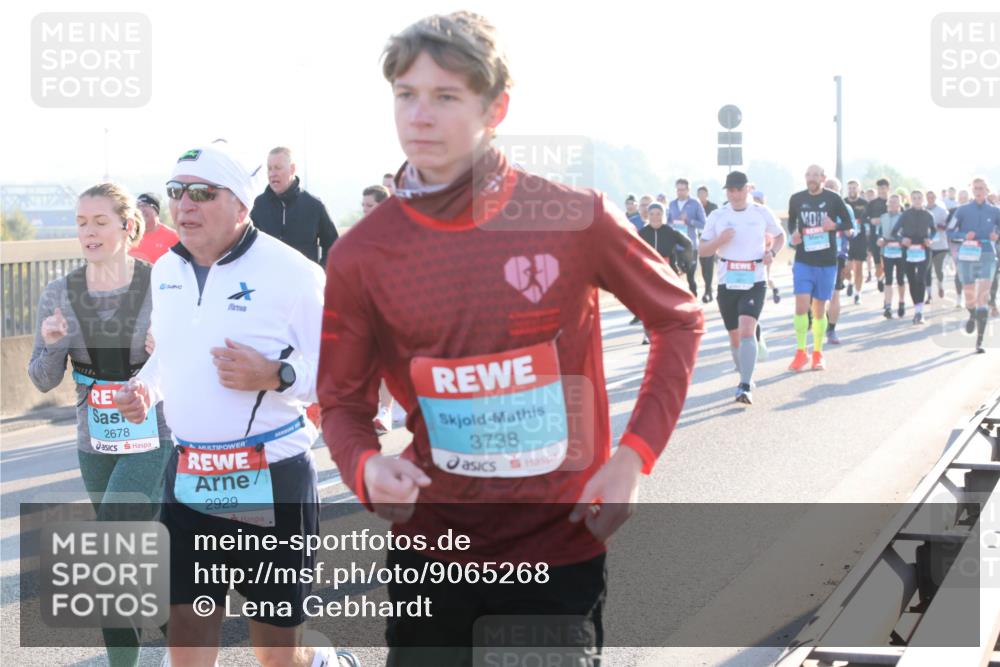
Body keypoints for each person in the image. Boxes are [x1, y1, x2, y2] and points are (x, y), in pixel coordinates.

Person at [317, 12, 704, 666]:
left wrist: (633, 458)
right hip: (433, 549)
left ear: (496, 106)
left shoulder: (572, 217)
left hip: (556, 548)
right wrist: (365, 466)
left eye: (446, 96)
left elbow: (678, 318)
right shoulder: (362, 253)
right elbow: (341, 403)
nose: (419, 115)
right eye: (406, 95)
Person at [116, 141, 359, 667]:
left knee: (275, 658)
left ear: (242, 204)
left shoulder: (294, 273)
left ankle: (321, 662)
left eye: (203, 193)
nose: (184, 205)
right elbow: (173, 351)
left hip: (270, 480)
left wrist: (276, 374)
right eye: (176, 192)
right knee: (187, 653)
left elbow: (347, 373)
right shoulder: (166, 271)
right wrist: (144, 388)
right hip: (188, 478)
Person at [29, 183, 173, 667]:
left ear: (128, 226)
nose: (88, 232)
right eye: (81, 222)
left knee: (111, 541)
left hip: (153, 430)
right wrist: (52, 341)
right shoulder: (60, 291)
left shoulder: (160, 284)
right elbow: (43, 379)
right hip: (94, 437)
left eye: (100, 222)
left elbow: (191, 366)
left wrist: (164, 355)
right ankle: (184, 638)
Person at [699, 171, 785, 404]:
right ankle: (743, 375)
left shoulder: (760, 212)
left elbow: (780, 236)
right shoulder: (718, 215)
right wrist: (719, 241)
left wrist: (772, 253)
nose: (735, 195)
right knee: (735, 336)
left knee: (747, 329)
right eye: (731, 190)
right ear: (727, 192)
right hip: (727, 280)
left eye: (740, 189)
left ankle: (745, 385)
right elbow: (703, 250)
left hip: (754, 279)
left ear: (748, 189)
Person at [786, 164, 854, 371]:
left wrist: (834, 226)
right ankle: (800, 352)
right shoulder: (796, 199)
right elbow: (791, 223)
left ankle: (817, 353)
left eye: (816, 175)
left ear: (823, 178)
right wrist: (794, 235)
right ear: (805, 177)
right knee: (800, 306)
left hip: (826, 261)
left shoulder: (833, 198)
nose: (812, 178)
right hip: (804, 260)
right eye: (809, 175)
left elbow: (849, 223)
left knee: (818, 309)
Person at [250, 146, 340, 266]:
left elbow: (333, 246)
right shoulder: (258, 205)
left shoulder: (314, 206)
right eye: (269, 169)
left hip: (305, 282)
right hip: (267, 281)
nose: (272, 174)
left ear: (292, 169)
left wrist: (321, 273)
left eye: (278, 168)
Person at [949, 177, 1000, 353]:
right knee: (970, 298)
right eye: (976, 188)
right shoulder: (962, 210)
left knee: (983, 297)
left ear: (987, 190)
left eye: (982, 188)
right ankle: (972, 314)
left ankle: (979, 342)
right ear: (972, 190)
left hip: (987, 254)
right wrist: (964, 235)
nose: (978, 191)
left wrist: (997, 235)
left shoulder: (995, 211)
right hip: (967, 255)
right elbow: (950, 231)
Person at [638, 201, 694, 343]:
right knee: (648, 304)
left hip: (669, 273)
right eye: (652, 214)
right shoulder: (642, 233)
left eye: (658, 214)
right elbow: (630, 250)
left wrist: (684, 264)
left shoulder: (671, 232)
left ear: (664, 215)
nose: (655, 217)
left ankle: (672, 329)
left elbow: (688, 245)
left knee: (670, 302)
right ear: (647, 216)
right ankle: (649, 332)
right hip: (648, 273)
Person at [890, 190, 937, 324]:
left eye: (919, 198)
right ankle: (917, 308)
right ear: (911, 199)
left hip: (923, 249)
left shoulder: (928, 214)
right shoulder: (905, 214)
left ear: (923, 199)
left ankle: (919, 312)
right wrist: (902, 239)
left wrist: (930, 239)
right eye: (914, 198)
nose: (917, 200)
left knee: (920, 279)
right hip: (908, 249)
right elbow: (894, 232)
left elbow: (933, 230)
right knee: (911, 280)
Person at [668, 178, 708, 299]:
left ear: (688, 190)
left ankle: (693, 298)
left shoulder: (695, 203)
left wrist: (689, 221)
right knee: (676, 273)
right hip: (676, 245)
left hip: (691, 245)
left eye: (683, 189)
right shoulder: (672, 204)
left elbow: (704, 224)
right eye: (678, 189)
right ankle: (678, 299)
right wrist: (673, 224)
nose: (680, 192)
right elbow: (667, 222)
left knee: (690, 275)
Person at [875, 194, 907, 319]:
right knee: (888, 278)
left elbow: (907, 233)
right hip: (887, 251)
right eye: (891, 202)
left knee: (900, 279)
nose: (893, 204)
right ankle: (888, 306)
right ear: (887, 204)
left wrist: (902, 240)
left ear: (900, 204)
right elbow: (879, 232)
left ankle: (901, 302)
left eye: (895, 202)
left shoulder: (904, 217)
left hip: (901, 251)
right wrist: (880, 239)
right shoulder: (883, 217)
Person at [129, 192, 179, 264]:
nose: (141, 209)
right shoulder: (128, 235)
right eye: (138, 206)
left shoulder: (174, 237)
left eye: (145, 205)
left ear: (156, 210)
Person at [844, 180, 869, 304]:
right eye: (850, 188)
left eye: (854, 188)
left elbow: (869, 219)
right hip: (846, 240)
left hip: (860, 239)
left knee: (858, 268)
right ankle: (850, 281)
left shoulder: (864, 203)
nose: (852, 190)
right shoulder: (843, 202)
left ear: (859, 189)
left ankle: (858, 294)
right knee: (845, 269)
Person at [866, 178, 891, 293]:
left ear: (888, 188)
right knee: (877, 262)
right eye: (879, 188)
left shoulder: (893, 202)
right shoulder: (872, 203)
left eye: (883, 187)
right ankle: (880, 278)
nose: (881, 190)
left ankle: (886, 277)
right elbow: (864, 218)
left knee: (887, 261)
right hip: (875, 237)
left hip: (890, 237)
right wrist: (871, 220)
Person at [925, 190, 951, 302]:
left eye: (932, 197)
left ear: (935, 198)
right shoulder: (923, 210)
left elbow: (949, 224)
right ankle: (929, 295)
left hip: (940, 244)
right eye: (928, 197)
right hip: (927, 244)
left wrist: (938, 226)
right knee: (927, 270)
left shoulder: (942, 211)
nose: (930, 199)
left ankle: (940, 285)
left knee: (938, 270)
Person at [697, 185, 719, 303]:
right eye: (699, 194)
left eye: (703, 193)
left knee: (709, 264)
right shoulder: (695, 206)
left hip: (711, 240)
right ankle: (708, 286)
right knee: (703, 265)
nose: (701, 196)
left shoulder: (713, 207)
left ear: (707, 195)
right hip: (700, 240)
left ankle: (708, 291)